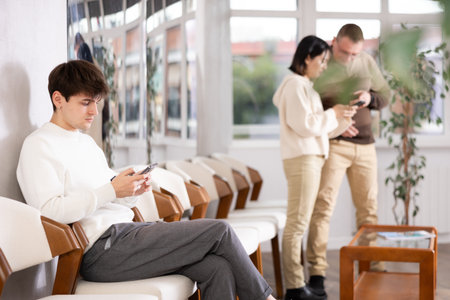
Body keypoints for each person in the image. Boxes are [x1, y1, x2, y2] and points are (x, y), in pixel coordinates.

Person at [16, 60, 276, 300]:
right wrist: (110, 190)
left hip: (127, 235)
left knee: (216, 268)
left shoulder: (86, 143)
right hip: (100, 251)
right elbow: (49, 213)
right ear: (58, 99)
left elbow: (112, 199)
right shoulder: (39, 146)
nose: (95, 111)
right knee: (220, 231)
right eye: (86, 102)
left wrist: (131, 190)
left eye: (96, 101)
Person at [306, 24, 391, 297]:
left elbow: (386, 96)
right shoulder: (322, 65)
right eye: (345, 52)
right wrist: (336, 120)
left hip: (366, 146)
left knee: (369, 209)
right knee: (323, 207)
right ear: (334, 43)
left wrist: (371, 97)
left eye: (355, 53)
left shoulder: (366, 62)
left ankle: (372, 267)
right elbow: (309, 105)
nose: (350, 58)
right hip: (336, 144)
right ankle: (317, 274)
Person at [273, 36, 356, 300]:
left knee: (300, 222)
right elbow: (306, 125)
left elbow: (318, 129)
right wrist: (334, 113)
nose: (324, 66)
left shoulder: (305, 86)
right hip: (303, 160)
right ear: (307, 57)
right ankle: (295, 287)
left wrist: (342, 119)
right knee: (297, 224)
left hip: (310, 157)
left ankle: (298, 285)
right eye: (322, 60)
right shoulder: (295, 85)